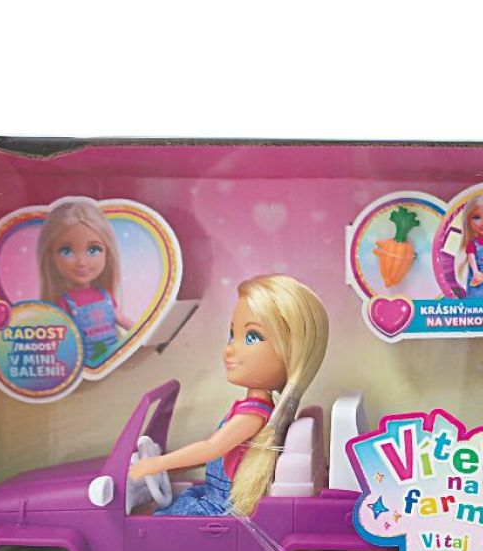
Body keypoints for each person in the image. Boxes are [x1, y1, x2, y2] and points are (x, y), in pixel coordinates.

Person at [129, 274, 328, 517]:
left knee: (154, 520)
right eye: (232, 334)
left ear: (290, 352)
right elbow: (214, 454)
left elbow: (211, 448)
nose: (229, 349)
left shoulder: (252, 416)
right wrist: (166, 467)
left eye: (252, 337)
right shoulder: (252, 409)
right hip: (211, 495)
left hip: (219, 506)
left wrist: (156, 464)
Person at [37, 198, 134, 364]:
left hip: (113, 357)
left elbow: (121, 319)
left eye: (93, 249)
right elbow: (59, 338)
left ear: (107, 253)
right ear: (51, 257)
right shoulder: (64, 302)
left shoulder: (105, 296)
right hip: (82, 363)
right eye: (66, 251)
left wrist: (141, 335)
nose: (81, 262)